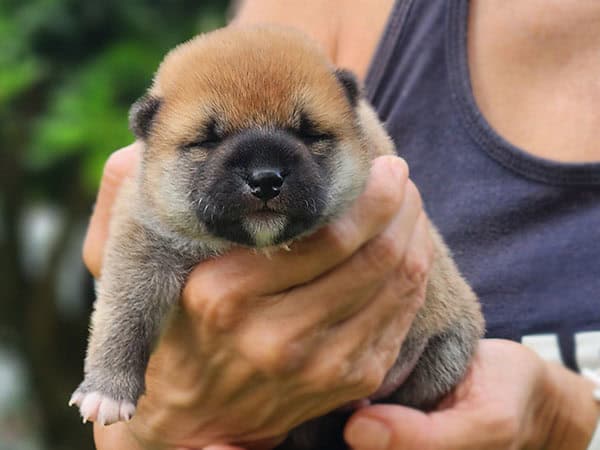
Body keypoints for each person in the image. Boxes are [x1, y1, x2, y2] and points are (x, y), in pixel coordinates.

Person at [88, 0, 600, 449]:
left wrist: (563, 422)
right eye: (206, 143)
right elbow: (126, 432)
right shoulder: (320, 14)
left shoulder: (372, 158)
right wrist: (144, 425)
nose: (265, 175)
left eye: (308, 133)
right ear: (148, 138)